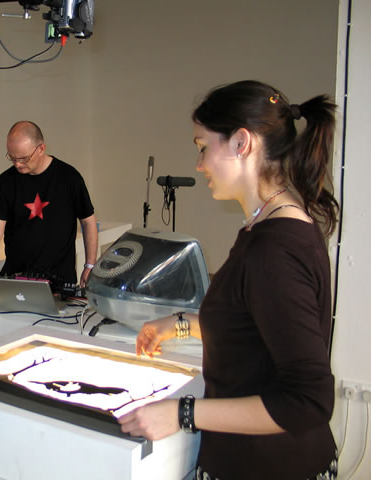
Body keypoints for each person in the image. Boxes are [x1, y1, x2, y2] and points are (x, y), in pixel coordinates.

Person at [118, 80, 339, 479]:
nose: (199, 164)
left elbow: (309, 400)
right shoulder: (268, 224)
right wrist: (180, 325)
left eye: (203, 147)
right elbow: (253, 328)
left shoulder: (274, 249)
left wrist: (182, 412)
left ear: (241, 143)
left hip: (271, 466)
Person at [0, 120, 98, 287]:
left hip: (59, 280)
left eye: (24, 159)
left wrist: (90, 265)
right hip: (15, 278)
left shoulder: (69, 178)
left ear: (41, 149)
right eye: (12, 158)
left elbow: (88, 222)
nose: (18, 164)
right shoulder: (4, 182)